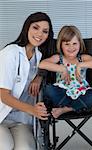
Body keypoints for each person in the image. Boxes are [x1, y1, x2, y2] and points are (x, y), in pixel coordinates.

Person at [0, 12, 54, 150]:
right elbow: (4, 95)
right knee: (6, 146)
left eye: (45, 31)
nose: (40, 34)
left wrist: (39, 76)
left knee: (25, 148)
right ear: (27, 28)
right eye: (35, 28)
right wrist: (33, 110)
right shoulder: (10, 53)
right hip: (2, 116)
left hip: (22, 120)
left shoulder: (40, 57)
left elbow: (59, 61)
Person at [39, 25, 92, 119]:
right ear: (61, 45)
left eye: (74, 43)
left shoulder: (82, 58)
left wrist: (81, 65)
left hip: (81, 93)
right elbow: (42, 64)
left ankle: (66, 109)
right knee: (49, 89)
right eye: (67, 44)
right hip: (63, 94)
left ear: (80, 44)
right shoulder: (58, 58)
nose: (71, 47)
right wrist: (62, 69)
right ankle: (82, 107)